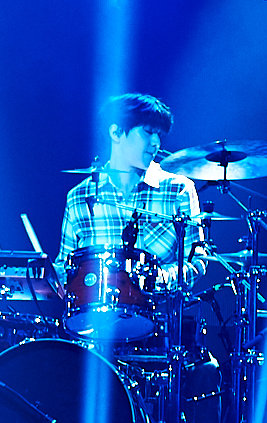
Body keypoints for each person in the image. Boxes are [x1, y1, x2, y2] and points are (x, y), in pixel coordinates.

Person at [56, 92, 207, 287]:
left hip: (157, 305)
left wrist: (153, 279)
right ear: (116, 133)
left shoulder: (178, 190)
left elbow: (197, 262)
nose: (156, 143)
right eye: (148, 132)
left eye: (159, 135)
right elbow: (65, 268)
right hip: (96, 306)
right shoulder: (79, 197)